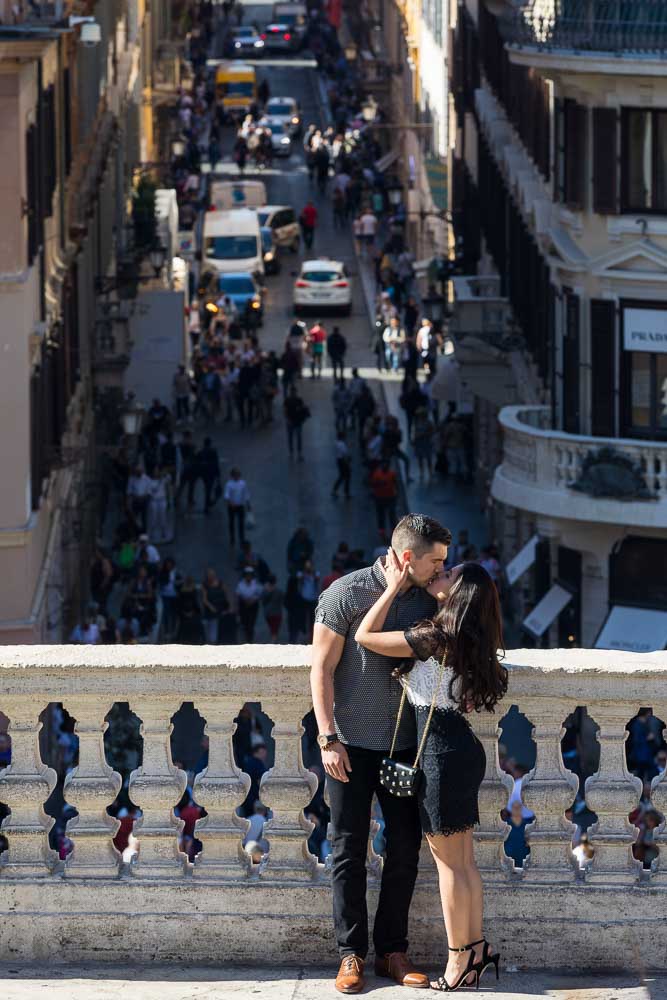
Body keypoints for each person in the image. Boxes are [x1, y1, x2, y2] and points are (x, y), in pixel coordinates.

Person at [311, 514, 451, 994]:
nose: (441, 570)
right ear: (408, 558)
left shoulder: (429, 597)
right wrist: (327, 738)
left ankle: (393, 950)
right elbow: (322, 670)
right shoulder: (345, 593)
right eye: (436, 562)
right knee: (348, 849)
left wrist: (441, 598)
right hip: (348, 745)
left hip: (405, 746)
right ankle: (350, 954)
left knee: (405, 848)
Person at [355, 557, 507, 992]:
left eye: (449, 574)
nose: (441, 573)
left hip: (440, 755)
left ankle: (459, 961)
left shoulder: (434, 636)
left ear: (457, 594)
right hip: (460, 751)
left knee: (449, 867)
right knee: (464, 864)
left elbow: (365, 637)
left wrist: (390, 586)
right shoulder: (471, 636)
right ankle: (476, 951)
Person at [201, 568, 231, 644]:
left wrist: (230, 606)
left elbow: (227, 595)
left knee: (215, 632)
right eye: (209, 575)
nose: (211, 576)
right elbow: (204, 599)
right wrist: (211, 607)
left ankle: (214, 643)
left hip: (220, 610)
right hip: (209, 611)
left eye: (212, 575)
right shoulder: (205, 585)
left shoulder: (221, 583)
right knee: (207, 630)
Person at [369, 459, 399, 534]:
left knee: (391, 514)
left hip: (390, 497)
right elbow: (372, 484)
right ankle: (382, 530)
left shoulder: (392, 474)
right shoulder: (376, 474)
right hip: (380, 497)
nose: (385, 466)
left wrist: (397, 493)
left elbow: (396, 483)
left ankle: (393, 530)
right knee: (381, 514)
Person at [224, 467, 251, 547]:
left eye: (238, 474)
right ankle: (232, 538)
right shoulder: (229, 484)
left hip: (240, 506)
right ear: (232, 475)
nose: (237, 476)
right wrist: (230, 502)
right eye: (236, 474)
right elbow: (226, 495)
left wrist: (248, 504)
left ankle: (241, 538)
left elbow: (246, 494)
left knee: (241, 523)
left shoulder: (243, 483)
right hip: (232, 506)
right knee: (231, 522)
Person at [236, 566, 263, 642]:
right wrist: (245, 600)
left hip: (253, 606)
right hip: (244, 606)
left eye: (250, 574)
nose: (249, 576)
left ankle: (250, 640)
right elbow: (238, 594)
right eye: (247, 574)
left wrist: (253, 600)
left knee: (251, 623)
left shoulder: (256, 584)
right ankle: (246, 639)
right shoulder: (241, 584)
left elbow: (259, 594)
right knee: (245, 623)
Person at [284, 385, 309, 461]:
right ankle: (294, 453)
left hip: (297, 422)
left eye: (294, 392)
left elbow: (302, 410)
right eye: (292, 392)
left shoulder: (298, 400)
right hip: (292, 421)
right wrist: (288, 420)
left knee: (296, 438)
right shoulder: (288, 400)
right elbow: (285, 411)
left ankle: (297, 453)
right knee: (293, 438)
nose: (293, 393)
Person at [262, 574, 284, 641]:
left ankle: (273, 642)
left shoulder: (266, 591)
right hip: (275, 614)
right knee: (274, 630)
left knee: (273, 630)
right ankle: (273, 642)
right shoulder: (278, 591)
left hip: (271, 613)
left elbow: (263, 602)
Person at [332, 433, 351, 499]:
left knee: (342, 476)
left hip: (339, 461)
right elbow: (345, 453)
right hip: (343, 461)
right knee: (347, 476)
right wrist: (348, 458)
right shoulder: (342, 444)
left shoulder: (337, 443)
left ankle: (335, 490)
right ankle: (346, 492)